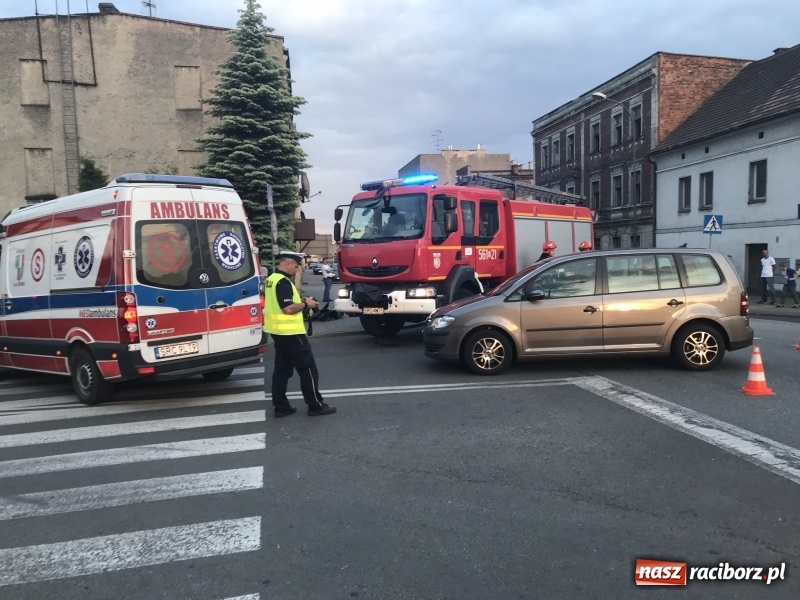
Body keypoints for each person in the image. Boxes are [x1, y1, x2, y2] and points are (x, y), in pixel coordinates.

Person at [263, 251, 337, 418]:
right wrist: (306, 304)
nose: (296, 270)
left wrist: (302, 300)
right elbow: (288, 308)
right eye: (296, 266)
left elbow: (280, 303)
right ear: (288, 263)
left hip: (277, 331)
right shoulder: (283, 282)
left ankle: (281, 406)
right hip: (291, 332)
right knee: (308, 369)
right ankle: (315, 406)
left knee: (281, 370)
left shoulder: (271, 279)